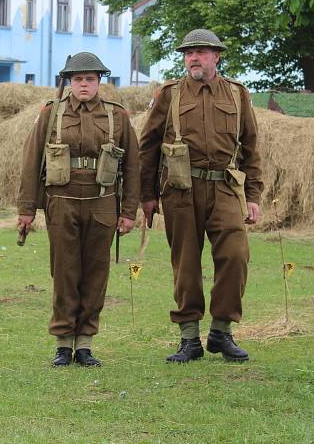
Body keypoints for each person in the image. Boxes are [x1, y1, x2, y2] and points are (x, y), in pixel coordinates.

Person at [139, 29, 263, 363]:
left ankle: (221, 331)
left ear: (217, 56)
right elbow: (147, 146)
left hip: (224, 188)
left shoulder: (237, 94)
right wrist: (146, 196)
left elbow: (251, 147)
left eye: (202, 52)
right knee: (186, 265)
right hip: (180, 189)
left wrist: (253, 195)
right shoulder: (169, 94)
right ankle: (189, 338)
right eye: (189, 52)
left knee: (237, 255)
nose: (194, 57)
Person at [17, 52, 140, 367]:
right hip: (62, 202)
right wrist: (26, 209)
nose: (83, 84)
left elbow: (133, 168)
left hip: (102, 202)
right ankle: (63, 342)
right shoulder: (50, 114)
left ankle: (84, 343)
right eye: (77, 79)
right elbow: (32, 164)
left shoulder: (118, 116)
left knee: (95, 273)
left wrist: (128, 212)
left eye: (89, 79)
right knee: (64, 273)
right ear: (69, 82)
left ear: (99, 81)